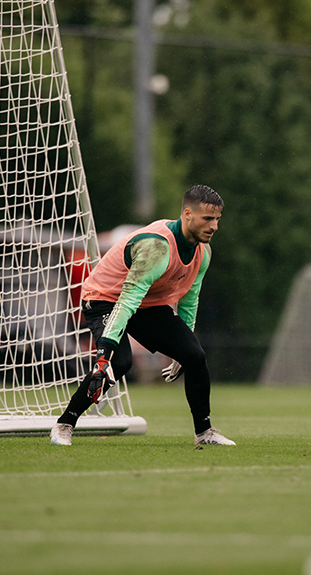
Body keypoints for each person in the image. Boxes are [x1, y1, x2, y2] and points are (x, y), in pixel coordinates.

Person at [50, 184, 235, 446]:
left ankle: (204, 433)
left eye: (217, 219)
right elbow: (126, 301)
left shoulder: (203, 253)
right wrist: (105, 352)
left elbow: (189, 299)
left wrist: (182, 347)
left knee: (194, 355)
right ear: (187, 214)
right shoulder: (156, 247)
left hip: (147, 303)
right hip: (105, 300)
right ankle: (65, 424)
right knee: (119, 363)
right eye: (208, 218)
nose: (214, 226)